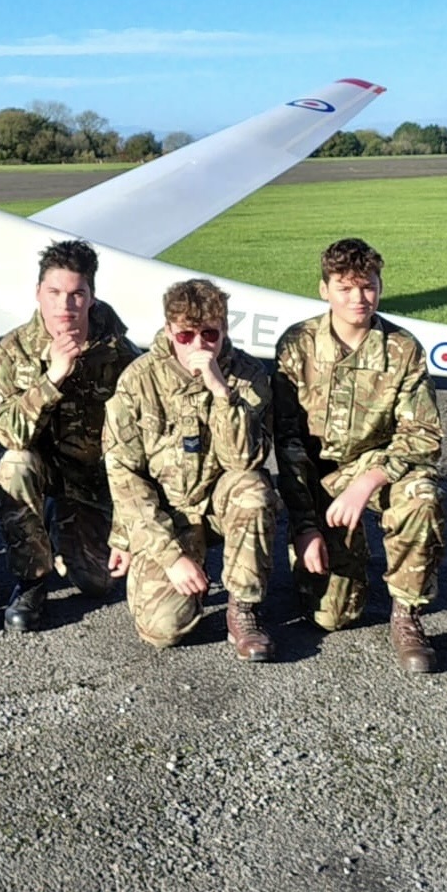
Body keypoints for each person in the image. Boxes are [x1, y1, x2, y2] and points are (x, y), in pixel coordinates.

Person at [273, 238, 445, 672]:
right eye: (345, 288)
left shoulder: (402, 348)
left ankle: (407, 614)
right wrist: (305, 525)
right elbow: (288, 442)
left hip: (378, 466)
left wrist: (370, 481)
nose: (358, 298)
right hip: (321, 477)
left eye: (367, 287)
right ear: (324, 289)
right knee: (332, 617)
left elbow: (423, 435)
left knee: (422, 497)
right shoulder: (297, 344)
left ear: (380, 288)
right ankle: (341, 556)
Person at [104, 279, 278, 660]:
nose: (199, 346)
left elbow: (244, 460)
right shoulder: (138, 379)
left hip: (220, 503)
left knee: (253, 488)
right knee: (161, 629)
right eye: (186, 336)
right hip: (170, 512)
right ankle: (192, 571)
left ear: (225, 330)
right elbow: (125, 477)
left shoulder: (249, 376)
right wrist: (169, 556)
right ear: (169, 331)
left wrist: (220, 393)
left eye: (210, 334)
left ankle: (243, 609)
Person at [0, 239, 139, 631]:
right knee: (15, 464)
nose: (64, 306)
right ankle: (31, 580)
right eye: (54, 293)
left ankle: (63, 525)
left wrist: (126, 526)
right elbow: (5, 434)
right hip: (42, 471)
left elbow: (144, 442)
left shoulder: (121, 353)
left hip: (94, 479)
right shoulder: (13, 350)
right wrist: (52, 377)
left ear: (91, 297)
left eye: (76, 295)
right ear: (38, 293)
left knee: (98, 583)